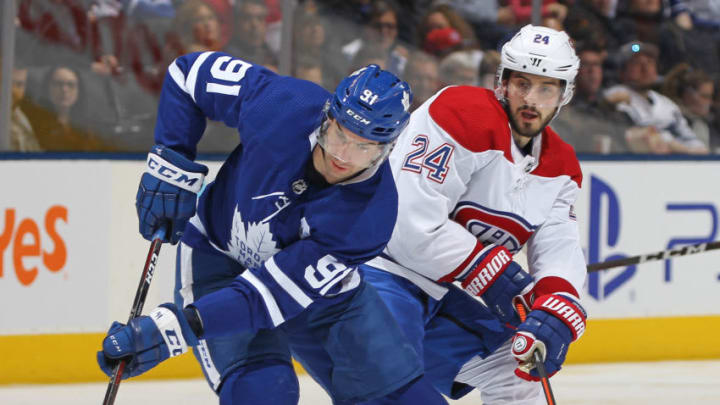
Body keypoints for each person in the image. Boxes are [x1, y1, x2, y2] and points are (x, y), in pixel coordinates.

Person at [95, 53, 438, 405]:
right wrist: (171, 162)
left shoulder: (370, 216)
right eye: (339, 135)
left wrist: (175, 329)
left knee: (406, 399)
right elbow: (188, 76)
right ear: (328, 117)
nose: (343, 156)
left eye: (364, 147)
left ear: (387, 149)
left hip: (322, 297)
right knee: (264, 394)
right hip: (219, 259)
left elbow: (265, 297)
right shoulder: (282, 104)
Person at [359, 24, 588, 404]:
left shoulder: (561, 166)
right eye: (522, 84)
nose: (531, 99)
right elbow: (403, 223)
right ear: (502, 82)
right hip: (374, 272)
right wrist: (494, 273)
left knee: (517, 377)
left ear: (564, 94)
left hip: (435, 294)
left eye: (546, 88)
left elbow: (559, 247)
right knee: (394, 388)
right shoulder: (461, 113)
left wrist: (557, 305)